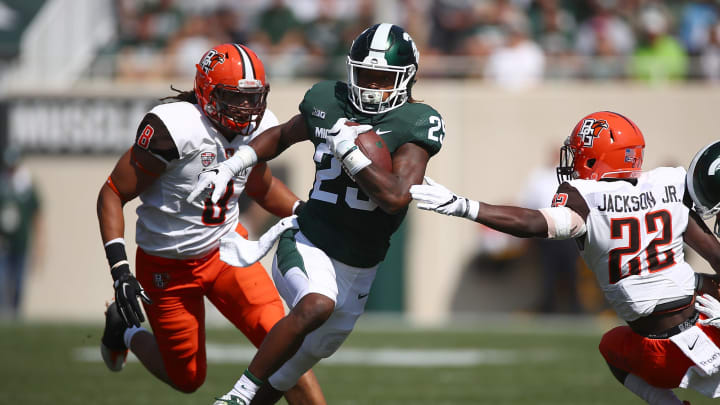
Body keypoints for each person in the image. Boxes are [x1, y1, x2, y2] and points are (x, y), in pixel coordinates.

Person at [187, 23, 444, 405]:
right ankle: (237, 395)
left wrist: (350, 154)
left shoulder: (416, 122)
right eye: (365, 76)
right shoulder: (329, 99)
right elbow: (282, 135)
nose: (370, 87)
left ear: (406, 79)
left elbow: (394, 197)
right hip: (309, 240)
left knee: (289, 372)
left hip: (360, 267)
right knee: (317, 303)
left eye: (381, 79)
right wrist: (232, 165)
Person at [410, 111, 720, 404]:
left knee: (612, 346)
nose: (574, 161)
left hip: (660, 352)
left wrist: (464, 206)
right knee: (699, 290)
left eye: (580, 153)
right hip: (702, 329)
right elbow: (714, 253)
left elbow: (533, 223)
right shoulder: (667, 184)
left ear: (598, 156)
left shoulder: (586, 197)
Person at [96, 43, 325, 404]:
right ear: (207, 91)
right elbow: (112, 193)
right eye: (236, 97)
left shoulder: (261, 125)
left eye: (255, 98)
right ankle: (125, 332)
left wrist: (309, 213)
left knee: (285, 350)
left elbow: (261, 187)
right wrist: (120, 271)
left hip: (228, 251)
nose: (249, 109)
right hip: (167, 265)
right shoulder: (174, 129)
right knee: (187, 378)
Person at [0, 146, 41, 319]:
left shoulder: (26, 186)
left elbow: (37, 216)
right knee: (2, 282)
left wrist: (39, 246)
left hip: (21, 243)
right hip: (4, 243)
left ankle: (15, 316)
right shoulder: (3, 186)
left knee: (18, 283)